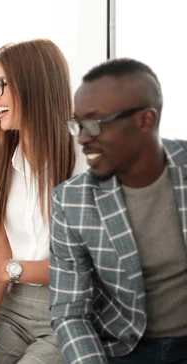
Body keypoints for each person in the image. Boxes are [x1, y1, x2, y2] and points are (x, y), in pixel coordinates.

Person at [0, 39, 87, 364]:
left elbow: (83, 266)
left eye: (0, 86)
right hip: (12, 309)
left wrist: (4, 269)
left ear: (35, 85)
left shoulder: (86, 157)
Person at [50, 58, 187, 364]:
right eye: (78, 124)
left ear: (145, 120)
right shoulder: (71, 201)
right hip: (123, 349)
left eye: (95, 123)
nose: (83, 138)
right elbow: (70, 312)